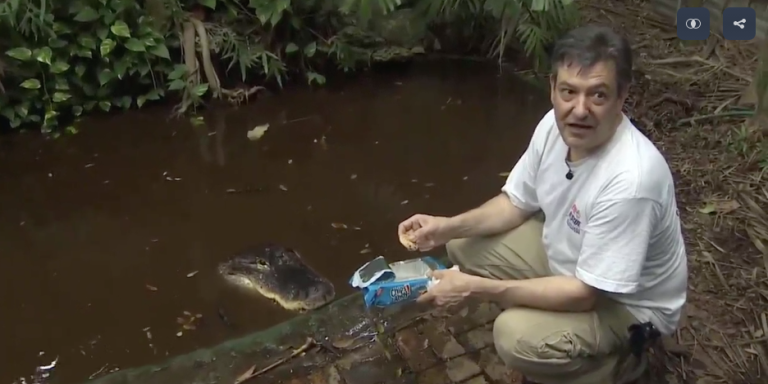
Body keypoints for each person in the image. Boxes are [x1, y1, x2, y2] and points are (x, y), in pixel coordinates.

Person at [397, 25, 688, 384]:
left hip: (628, 305)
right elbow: (515, 203)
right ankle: (548, 320)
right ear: (552, 88)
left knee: (513, 336)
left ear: (621, 96)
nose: (579, 110)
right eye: (568, 92)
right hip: (573, 262)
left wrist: (478, 288)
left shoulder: (631, 180)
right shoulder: (553, 125)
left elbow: (585, 294)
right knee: (462, 243)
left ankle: (620, 365)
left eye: (597, 95)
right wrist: (446, 226)